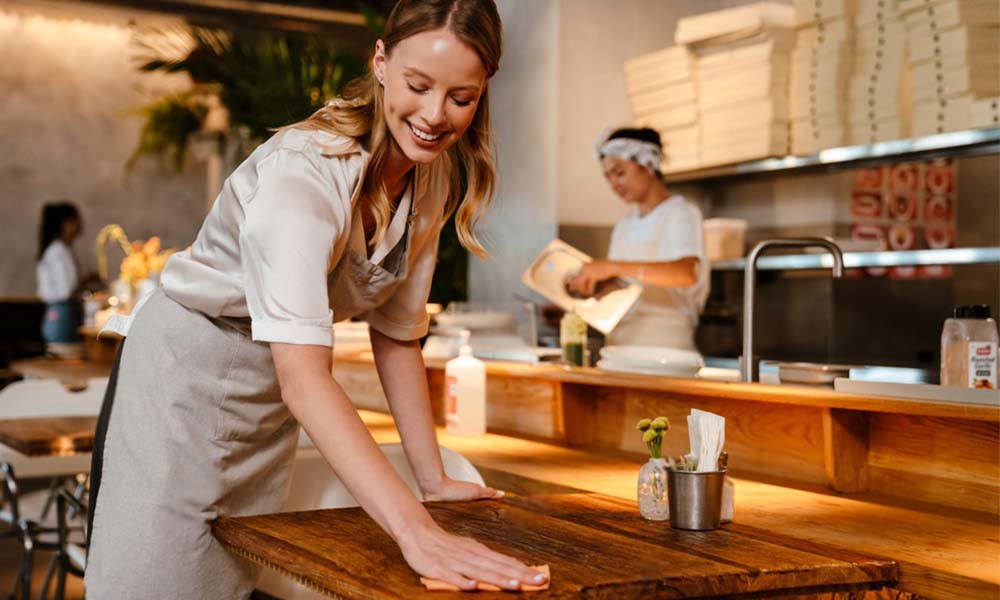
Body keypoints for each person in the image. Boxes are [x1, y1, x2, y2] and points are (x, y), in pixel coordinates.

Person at [85, 1, 548, 597]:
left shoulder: (429, 174)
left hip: (264, 396)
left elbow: (398, 334)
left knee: (231, 582)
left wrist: (430, 479)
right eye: (417, 86)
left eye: (461, 98)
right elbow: (304, 379)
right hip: (183, 386)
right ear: (381, 62)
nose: (435, 116)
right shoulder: (302, 176)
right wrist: (416, 531)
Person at [568, 127, 709, 351]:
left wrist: (613, 266)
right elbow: (621, 289)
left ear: (648, 164)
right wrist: (575, 305)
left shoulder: (681, 213)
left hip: (666, 351)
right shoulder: (624, 227)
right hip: (619, 347)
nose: (614, 184)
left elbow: (686, 272)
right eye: (608, 177)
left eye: (620, 172)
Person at [36, 201, 83, 347]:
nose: (81, 224)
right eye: (77, 220)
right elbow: (66, 290)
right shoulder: (58, 251)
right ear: (66, 223)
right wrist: (85, 281)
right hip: (62, 315)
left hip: (56, 314)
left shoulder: (57, 249)